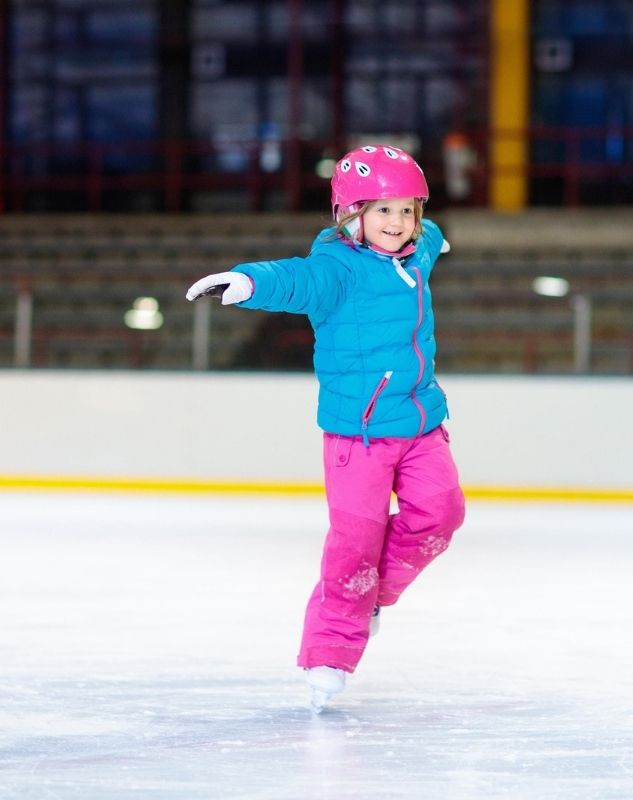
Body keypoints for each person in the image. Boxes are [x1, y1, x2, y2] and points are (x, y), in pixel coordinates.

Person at [186, 144, 466, 711]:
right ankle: (329, 653)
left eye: (408, 210)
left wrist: (431, 230)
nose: (399, 223)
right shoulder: (336, 269)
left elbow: (433, 233)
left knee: (441, 513)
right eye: (382, 210)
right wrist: (245, 283)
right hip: (357, 437)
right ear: (349, 214)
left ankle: (373, 599)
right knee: (354, 546)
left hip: (420, 421)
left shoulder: (421, 249)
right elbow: (294, 280)